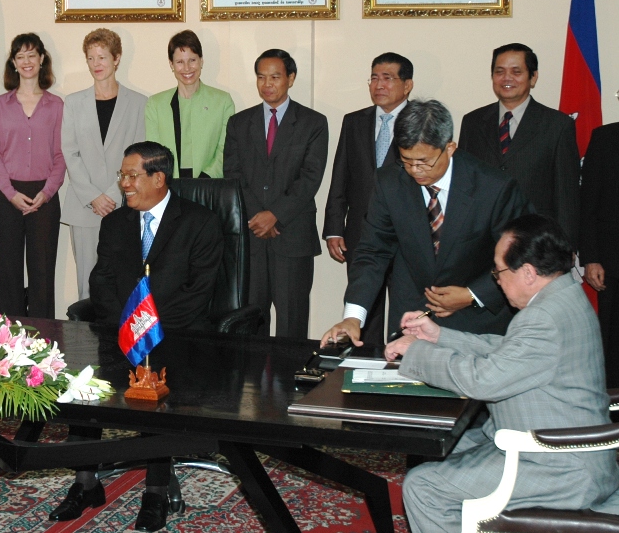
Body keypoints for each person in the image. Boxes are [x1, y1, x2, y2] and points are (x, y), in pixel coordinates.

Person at [387, 214, 619, 533]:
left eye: (498, 270)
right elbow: (508, 350)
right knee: (445, 444)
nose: (495, 279)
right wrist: (439, 337)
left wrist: (416, 352)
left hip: (559, 466)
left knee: (424, 487)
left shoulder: (544, 318)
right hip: (559, 443)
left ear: (527, 273)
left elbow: (482, 380)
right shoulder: (564, 295)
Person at [51, 142, 222, 533]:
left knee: (154, 379)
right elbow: (102, 281)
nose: (123, 184)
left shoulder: (200, 222)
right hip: (120, 332)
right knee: (83, 384)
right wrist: (124, 325)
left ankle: (156, 491)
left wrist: (147, 330)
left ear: (158, 178)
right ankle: (86, 482)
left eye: (131, 176)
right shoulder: (116, 223)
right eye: (121, 176)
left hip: (177, 335)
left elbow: (199, 293)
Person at [321, 100, 531, 347]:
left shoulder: (493, 188)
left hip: (476, 323)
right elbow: (373, 251)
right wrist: (353, 318)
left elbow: (520, 256)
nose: (415, 170)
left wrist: (471, 295)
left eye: (424, 161)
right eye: (406, 160)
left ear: (449, 148)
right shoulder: (390, 182)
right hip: (412, 318)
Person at [224, 49, 328, 339]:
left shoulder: (313, 123)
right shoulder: (239, 123)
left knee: (291, 323)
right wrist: (258, 217)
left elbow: (310, 178)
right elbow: (232, 175)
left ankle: (289, 382)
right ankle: (251, 384)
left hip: (292, 236)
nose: (267, 84)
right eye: (261, 77)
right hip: (251, 236)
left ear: (291, 79)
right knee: (250, 321)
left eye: (275, 77)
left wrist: (275, 215)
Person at [322, 53, 415, 345]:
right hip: (361, 233)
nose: (379, 84)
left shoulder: (420, 122)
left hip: (406, 235)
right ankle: (365, 368)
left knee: (405, 310)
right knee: (365, 307)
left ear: (407, 84)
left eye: (388, 78)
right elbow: (341, 177)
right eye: (374, 77)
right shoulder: (354, 121)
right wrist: (334, 228)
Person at [458, 43, 580, 248]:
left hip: (537, 240)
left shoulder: (557, 125)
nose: (507, 78)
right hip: (480, 241)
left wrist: (565, 246)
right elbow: (463, 185)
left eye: (516, 72)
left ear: (533, 77)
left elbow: (566, 196)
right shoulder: (472, 121)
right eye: (499, 72)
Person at [61, 28, 147, 303]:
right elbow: (70, 152)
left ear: (117, 59)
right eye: (91, 58)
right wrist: (93, 197)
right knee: (87, 286)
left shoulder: (138, 103)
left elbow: (137, 156)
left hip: (123, 205)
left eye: (102, 57)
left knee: (123, 282)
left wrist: (112, 195)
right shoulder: (73, 103)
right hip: (84, 207)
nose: (96, 64)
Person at [0, 33, 65, 319]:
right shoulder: (1, 105)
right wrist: (10, 193)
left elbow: (61, 155)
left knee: (42, 274)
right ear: (14, 63)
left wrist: (47, 192)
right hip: (8, 195)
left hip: (46, 195)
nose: (27, 61)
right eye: (20, 56)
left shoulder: (56, 105)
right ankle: (10, 342)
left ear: (42, 59)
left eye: (32, 55)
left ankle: (45, 342)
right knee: (8, 273)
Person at [144, 30, 235, 180]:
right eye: (180, 62)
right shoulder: (155, 104)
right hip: (169, 184)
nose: (187, 68)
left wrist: (206, 178)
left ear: (201, 61)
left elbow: (225, 149)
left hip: (209, 184)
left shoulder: (223, 101)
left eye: (192, 60)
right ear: (171, 64)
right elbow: (154, 153)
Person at [580, 122, 619, 384]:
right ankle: (614, 407)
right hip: (612, 261)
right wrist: (590, 257)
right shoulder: (605, 138)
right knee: (614, 341)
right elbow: (587, 202)